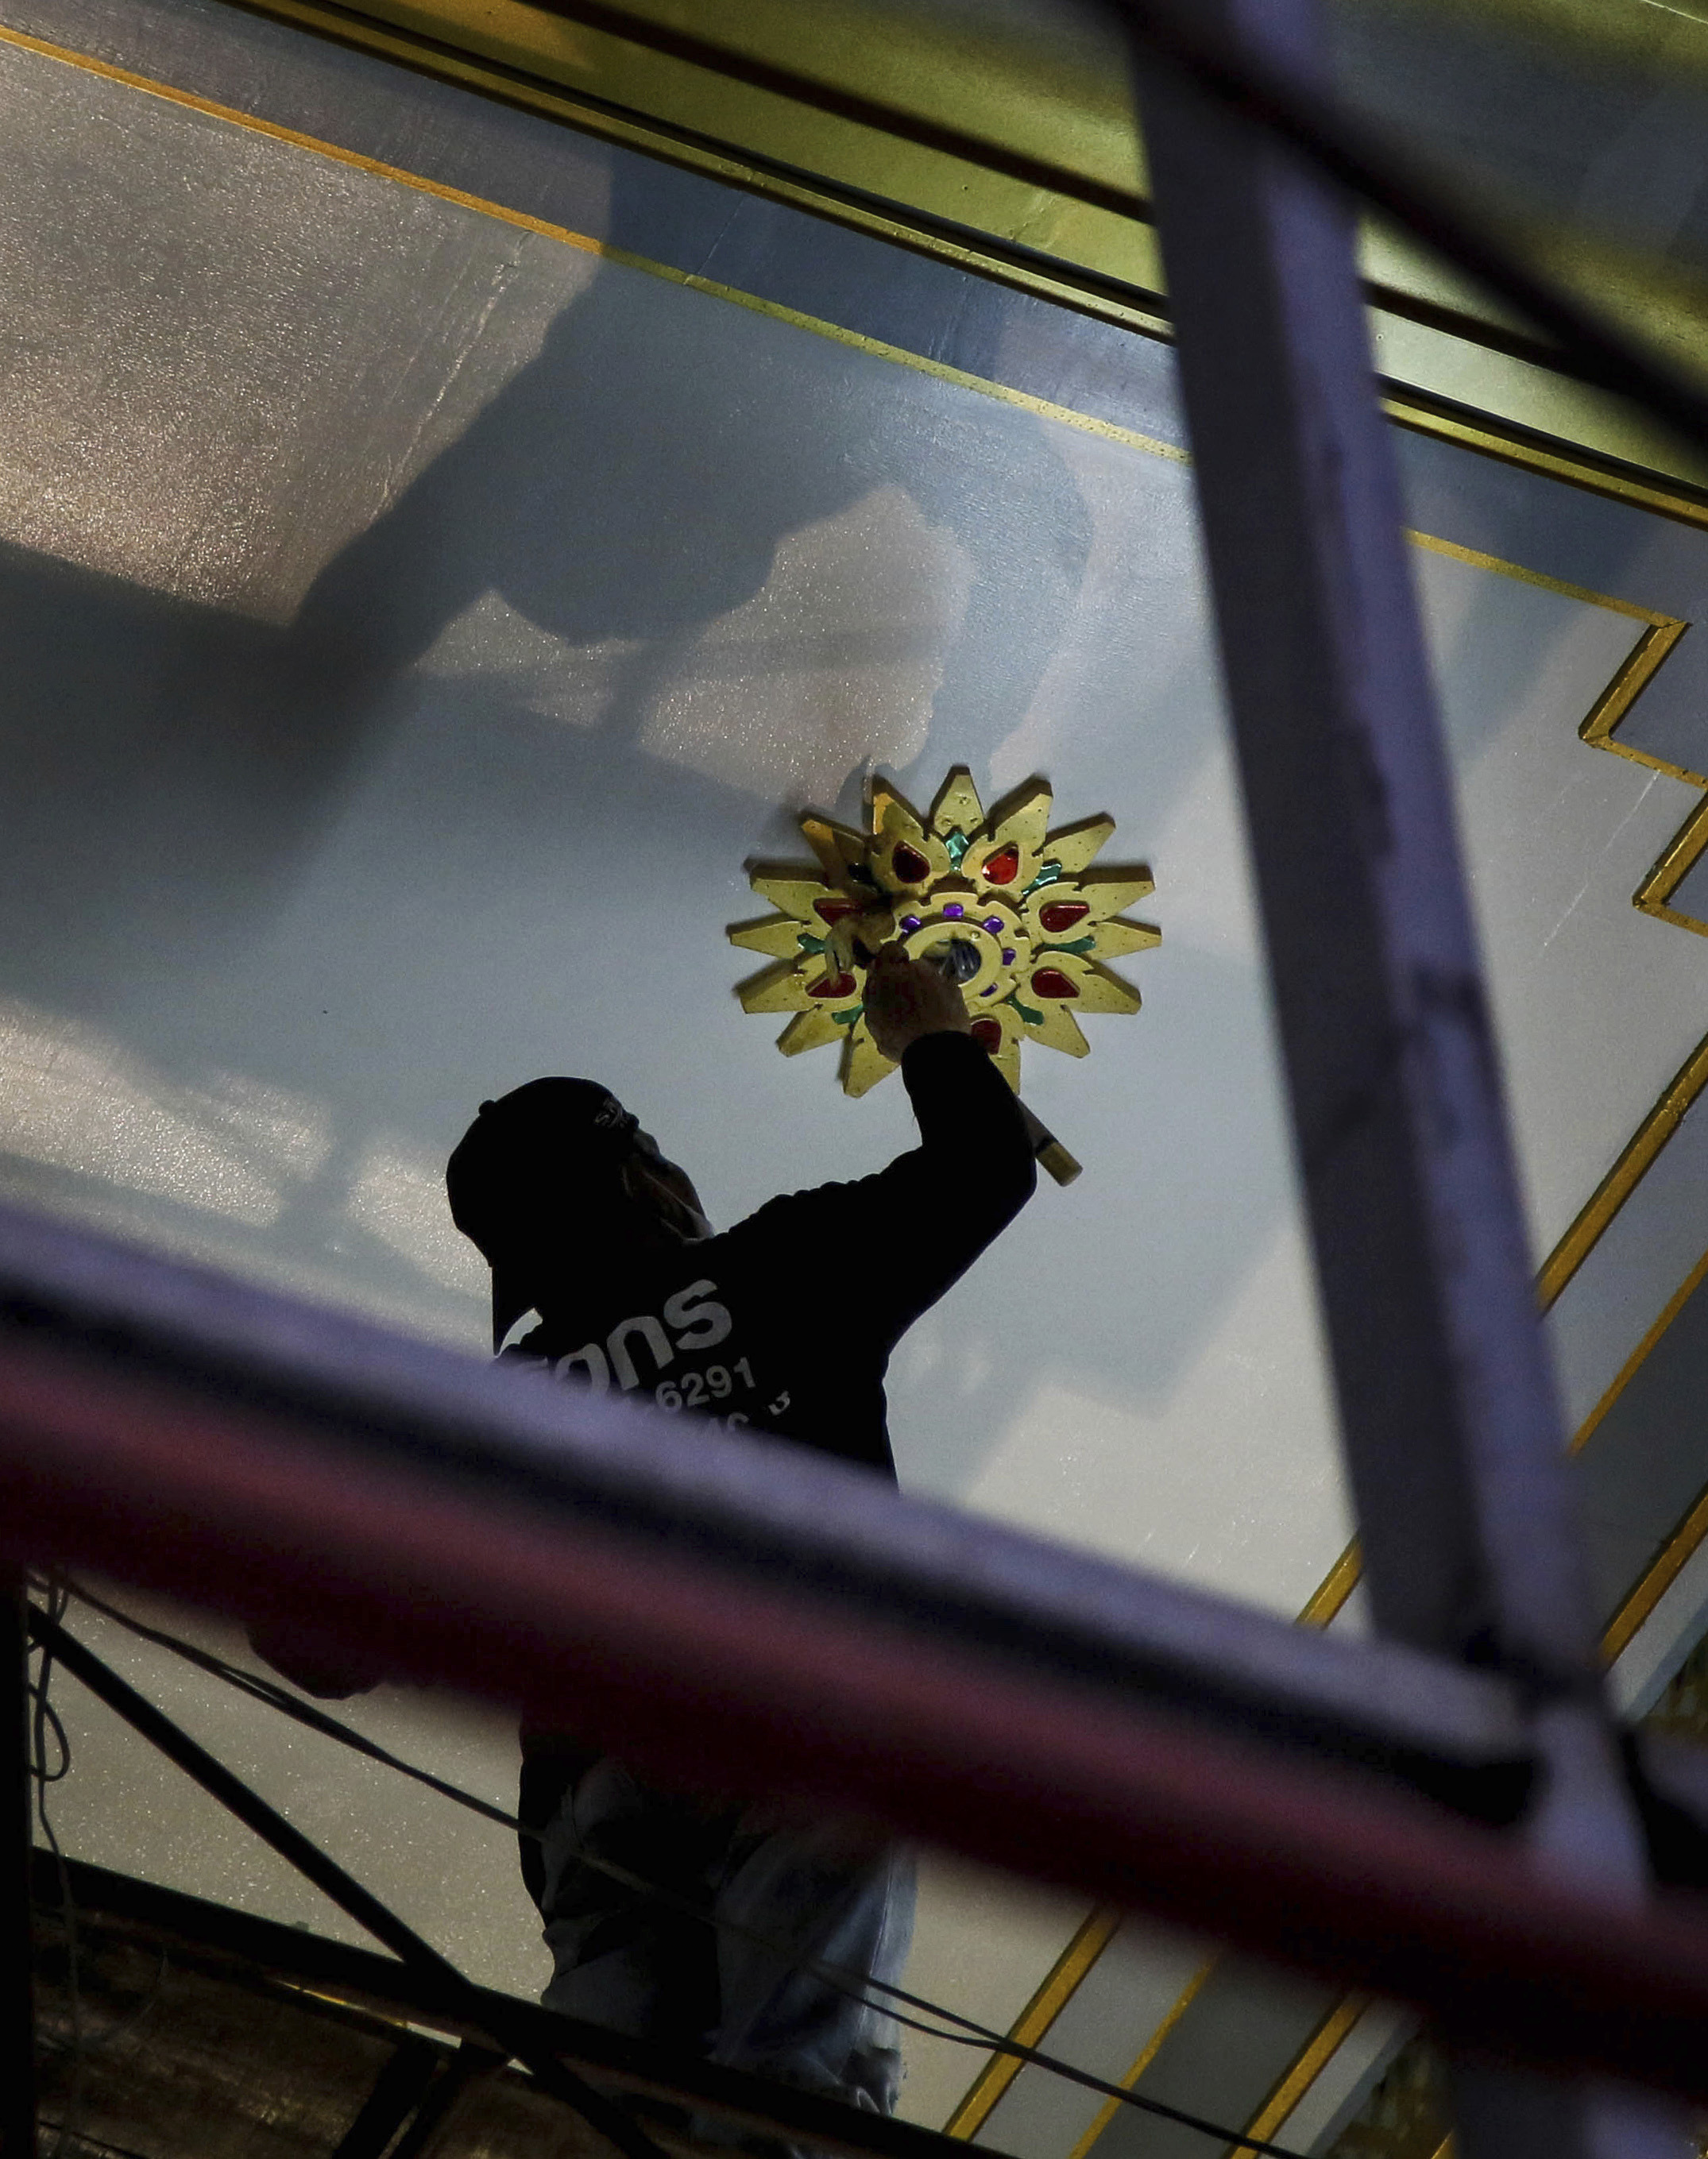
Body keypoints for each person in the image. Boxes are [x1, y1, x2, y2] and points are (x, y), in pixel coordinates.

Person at [439, 945, 1036, 2118]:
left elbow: (319, 1638)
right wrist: (927, 1033)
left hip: (598, 1784)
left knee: (608, 2106)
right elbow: (983, 1168)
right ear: (641, 1174)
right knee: (791, 2091)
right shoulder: (781, 1267)